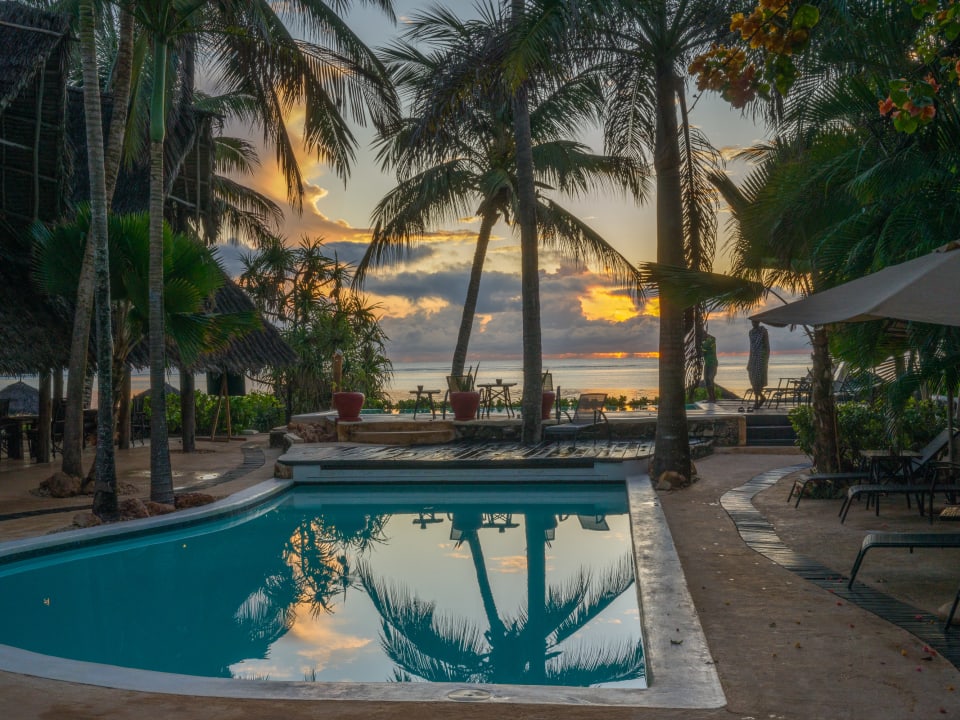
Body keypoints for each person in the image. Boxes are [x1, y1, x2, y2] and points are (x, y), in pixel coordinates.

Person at [747, 320, 770, 409]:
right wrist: (749, 361)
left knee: (758, 380)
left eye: (756, 322)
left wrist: (766, 360)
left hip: (761, 357)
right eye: (753, 322)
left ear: (759, 322)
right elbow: (751, 347)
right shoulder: (751, 332)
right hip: (753, 357)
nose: (754, 324)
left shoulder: (763, 331)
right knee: (752, 378)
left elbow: (767, 346)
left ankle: (756, 401)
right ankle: (761, 397)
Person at [702, 333, 718, 403]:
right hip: (707, 364)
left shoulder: (709, 341)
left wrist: (706, 335)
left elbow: (703, 350)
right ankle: (711, 398)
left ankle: (712, 398)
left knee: (710, 379)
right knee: (706, 380)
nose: (701, 339)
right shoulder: (707, 342)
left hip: (712, 364)